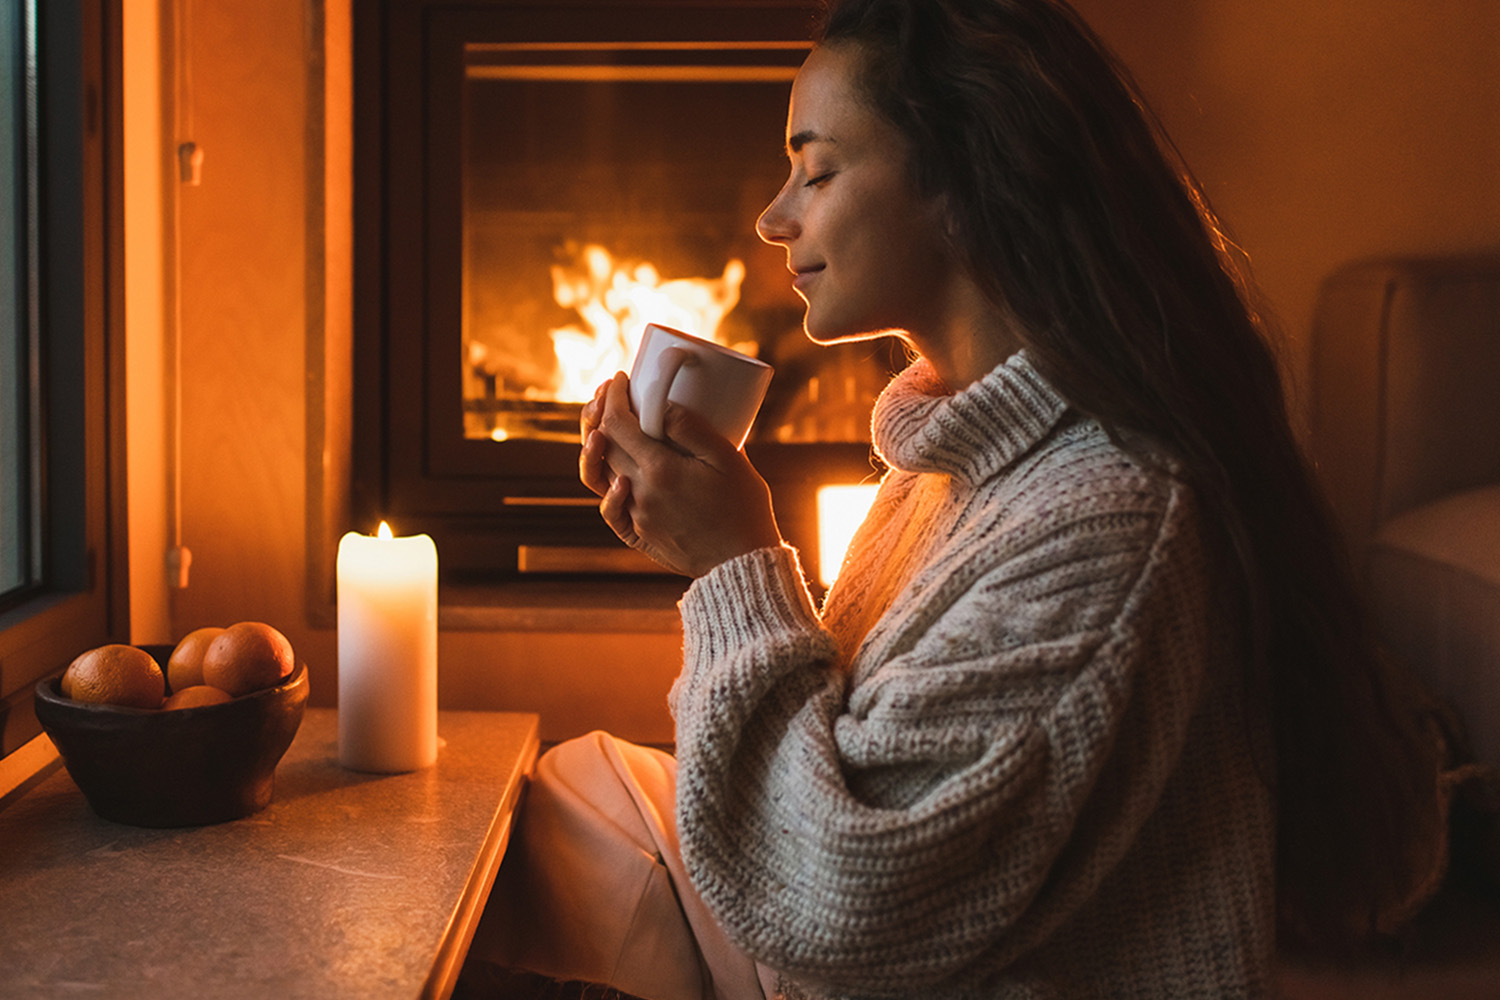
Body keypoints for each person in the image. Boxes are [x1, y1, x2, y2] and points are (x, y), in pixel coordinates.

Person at [461, 0, 1457, 997]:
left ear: (967, 184)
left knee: (541, 865)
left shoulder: (1114, 517)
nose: (773, 218)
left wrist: (735, 565)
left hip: (870, 951)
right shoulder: (959, 464)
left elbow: (842, 898)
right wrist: (714, 546)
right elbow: (868, 743)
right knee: (547, 803)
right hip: (838, 935)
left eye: (818, 170)